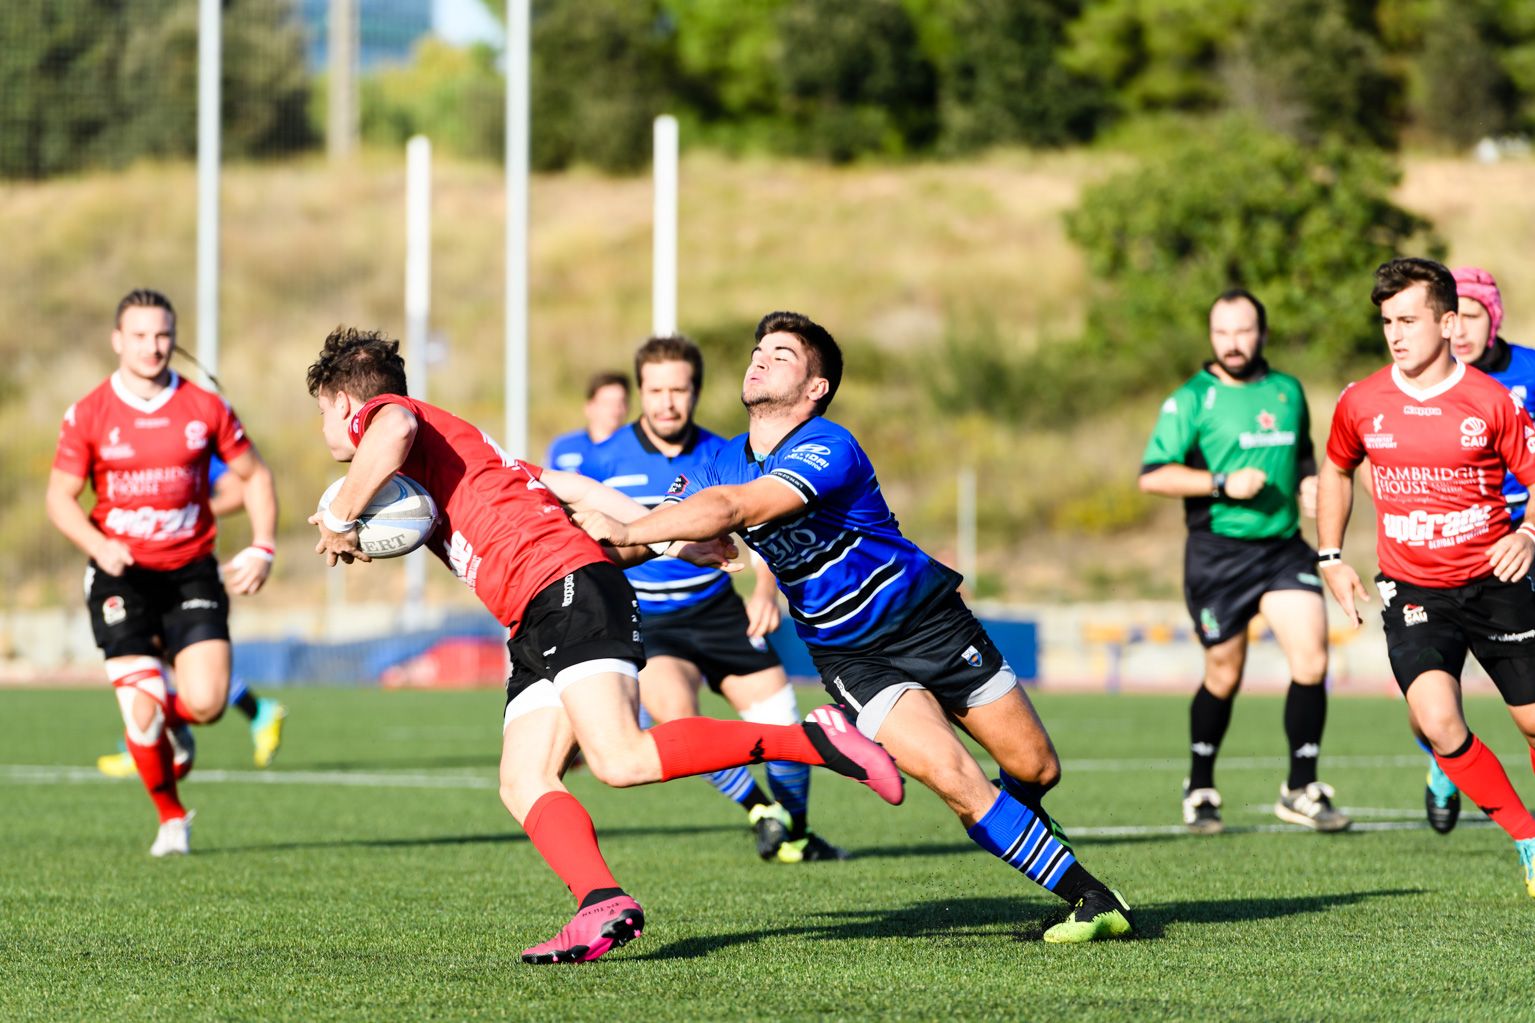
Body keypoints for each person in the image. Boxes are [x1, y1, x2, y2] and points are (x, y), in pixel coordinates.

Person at [305, 327, 902, 964]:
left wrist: (342, 515)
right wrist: (672, 542)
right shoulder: (458, 451)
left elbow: (391, 427)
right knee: (524, 779)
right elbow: (574, 488)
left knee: (620, 758)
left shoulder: (394, 420)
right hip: (534, 613)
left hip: (563, 587)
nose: (327, 429)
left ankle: (812, 741)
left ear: (345, 404)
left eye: (321, 415)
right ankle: (600, 901)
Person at [576, 311, 1135, 943]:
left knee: (1035, 769)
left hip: (932, 625)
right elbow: (667, 526)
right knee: (953, 776)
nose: (759, 359)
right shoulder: (718, 462)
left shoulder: (829, 446)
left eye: (781, 354)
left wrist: (629, 526)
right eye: (758, 350)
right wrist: (579, 548)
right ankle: (1089, 896)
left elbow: (734, 508)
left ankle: (1027, 834)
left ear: (815, 387)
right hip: (850, 654)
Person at [1318, 256, 1535, 899]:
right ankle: (1527, 837)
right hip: (1413, 589)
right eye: (1387, 321)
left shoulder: (1490, 401)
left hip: (1493, 583)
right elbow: (1335, 469)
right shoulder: (1360, 401)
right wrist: (1330, 556)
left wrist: (1526, 535)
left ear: (1446, 323)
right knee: (1438, 721)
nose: (1395, 334)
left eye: (1408, 320)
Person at [582, 334, 843, 863]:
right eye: (656, 390)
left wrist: (765, 592)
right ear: (641, 391)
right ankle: (759, 811)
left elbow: (768, 522)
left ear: (696, 392)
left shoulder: (723, 452)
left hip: (717, 609)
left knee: (779, 712)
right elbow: (594, 546)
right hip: (650, 618)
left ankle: (793, 830)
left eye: (679, 389)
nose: (667, 402)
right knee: (679, 717)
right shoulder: (605, 460)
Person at [45, 288, 279, 856]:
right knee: (143, 707)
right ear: (117, 341)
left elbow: (255, 477)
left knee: (207, 703)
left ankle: (168, 722)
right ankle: (172, 818)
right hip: (119, 575)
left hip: (191, 571)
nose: (154, 347)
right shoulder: (90, 412)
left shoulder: (204, 407)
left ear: (174, 338)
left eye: (163, 335)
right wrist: (98, 545)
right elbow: (59, 497)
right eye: (141, 336)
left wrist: (263, 546)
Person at [1138, 289, 1348, 835]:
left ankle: (1301, 787)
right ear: (1212, 336)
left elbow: (1304, 454)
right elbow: (1153, 474)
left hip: (1282, 549)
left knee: (1312, 659)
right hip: (1217, 555)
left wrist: (1307, 485)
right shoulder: (1190, 400)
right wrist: (1220, 482)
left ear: (1264, 333)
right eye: (1222, 332)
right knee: (1224, 673)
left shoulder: (1287, 390)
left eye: (1244, 331)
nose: (1233, 343)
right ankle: (1200, 784)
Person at [1411, 266, 1535, 833]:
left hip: (1523, 541)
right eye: (1450, 320)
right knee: (1431, 702)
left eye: (1472, 317)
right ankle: (1444, 761)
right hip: (1446, 550)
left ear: (1494, 318)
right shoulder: (1418, 385)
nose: (1459, 332)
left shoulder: (1528, 372)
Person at [95, 452, 288, 777]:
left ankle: (145, 739)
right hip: (144, 572)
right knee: (161, 661)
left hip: (183, 573)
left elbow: (237, 491)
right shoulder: (136, 438)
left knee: (161, 659)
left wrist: (180, 514)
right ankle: (252, 712)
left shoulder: (190, 441)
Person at [546, 370, 630, 472]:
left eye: (620, 402)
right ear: (589, 407)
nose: (615, 409)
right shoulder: (564, 447)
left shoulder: (634, 449)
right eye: (607, 402)